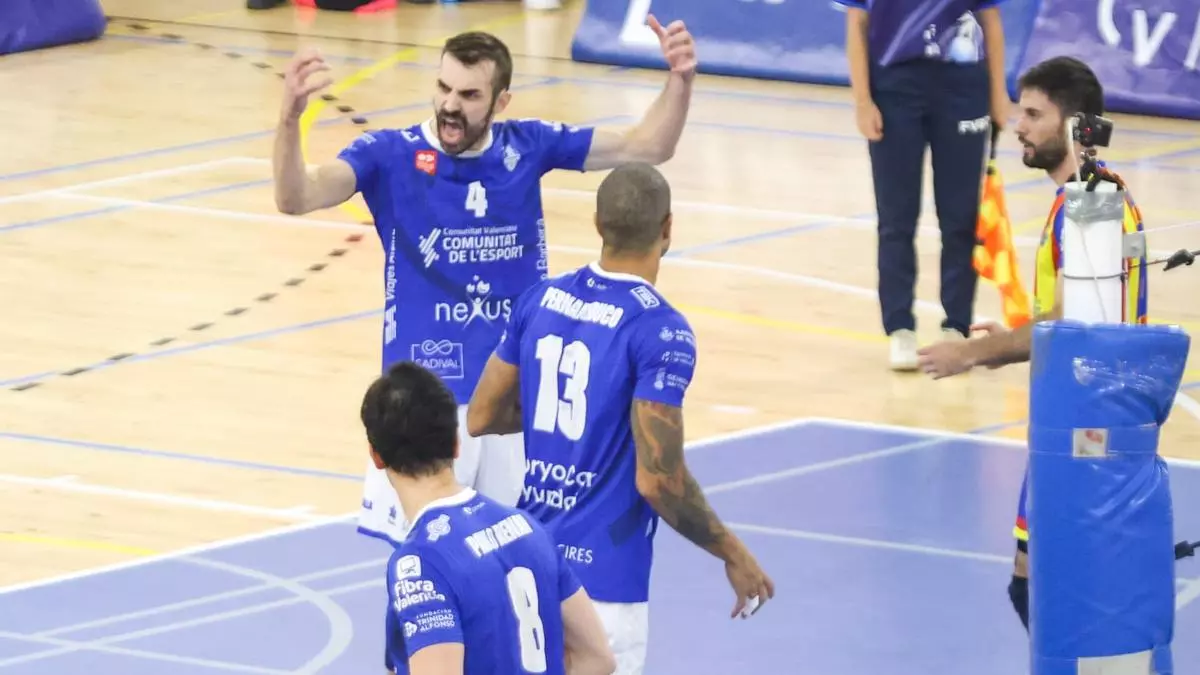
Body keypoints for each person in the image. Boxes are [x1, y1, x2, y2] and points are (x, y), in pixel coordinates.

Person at [271, 22, 698, 546]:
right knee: (426, 566)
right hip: (425, 404)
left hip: (511, 405)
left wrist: (680, 80)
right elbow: (296, 197)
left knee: (521, 560)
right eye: (444, 88)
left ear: (501, 101)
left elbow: (648, 145)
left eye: (470, 95)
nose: (451, 105)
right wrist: (288, 120)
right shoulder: (388, 154)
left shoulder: (529, 146)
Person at [465, 163, 775, 675]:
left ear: (597, 223)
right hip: (604, 588)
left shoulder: (540, 299)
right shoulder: (659, 329)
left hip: (529, 570)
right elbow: (659, 480)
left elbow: (480, 415)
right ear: (668, 228)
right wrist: (732, 552)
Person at [914, 56, 1149, 631]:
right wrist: (1016, 341)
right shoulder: (1088, 194)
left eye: (1034, 115)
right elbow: (1077, 314)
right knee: (1037, 585)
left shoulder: (1092, 205)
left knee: (1057, 593)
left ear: (1076, 127)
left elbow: (1078, 323)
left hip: (1088, 432)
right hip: (1073, 421)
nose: (1018, 125)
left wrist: (970, 353)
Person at [363, 360, 616, 675]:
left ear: (376, 456)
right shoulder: (527, 527)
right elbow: (598, 658)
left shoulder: (420, 564)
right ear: (456, 444)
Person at [838, 0, 1012, 370]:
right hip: (894, 85)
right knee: (896, 217)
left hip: (963, 84)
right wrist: (862, 101)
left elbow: (991, 19)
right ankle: (900, 327)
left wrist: (998, 93)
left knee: (961, 216)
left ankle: (957, 325)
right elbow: (857, 23)